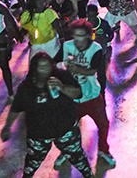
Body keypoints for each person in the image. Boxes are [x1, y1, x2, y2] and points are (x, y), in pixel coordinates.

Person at [1, 52, 94, 177]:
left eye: (48, 66)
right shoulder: (27, 87)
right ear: (34, 69)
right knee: (32, 163)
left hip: (66, 131)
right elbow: (16, 108)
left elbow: (78, 93)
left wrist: (62, 88)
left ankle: (89, 175)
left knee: (78, 158)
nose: (46, 70)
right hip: (39, 135)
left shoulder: (62, 76)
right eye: (41, 67)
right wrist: (7, 127)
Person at [56, 19, 115, 168]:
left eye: (82, 36)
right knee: (67, 127)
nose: (79, 40)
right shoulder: (66, 46)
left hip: (92, 95)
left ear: (89, 36)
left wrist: (76, 69)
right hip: (72, 98)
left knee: (103, 124)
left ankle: (103, 150)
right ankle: (67, 151)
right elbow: (53, 62)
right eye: (76, 36)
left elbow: (94, 71)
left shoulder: (95, 49)